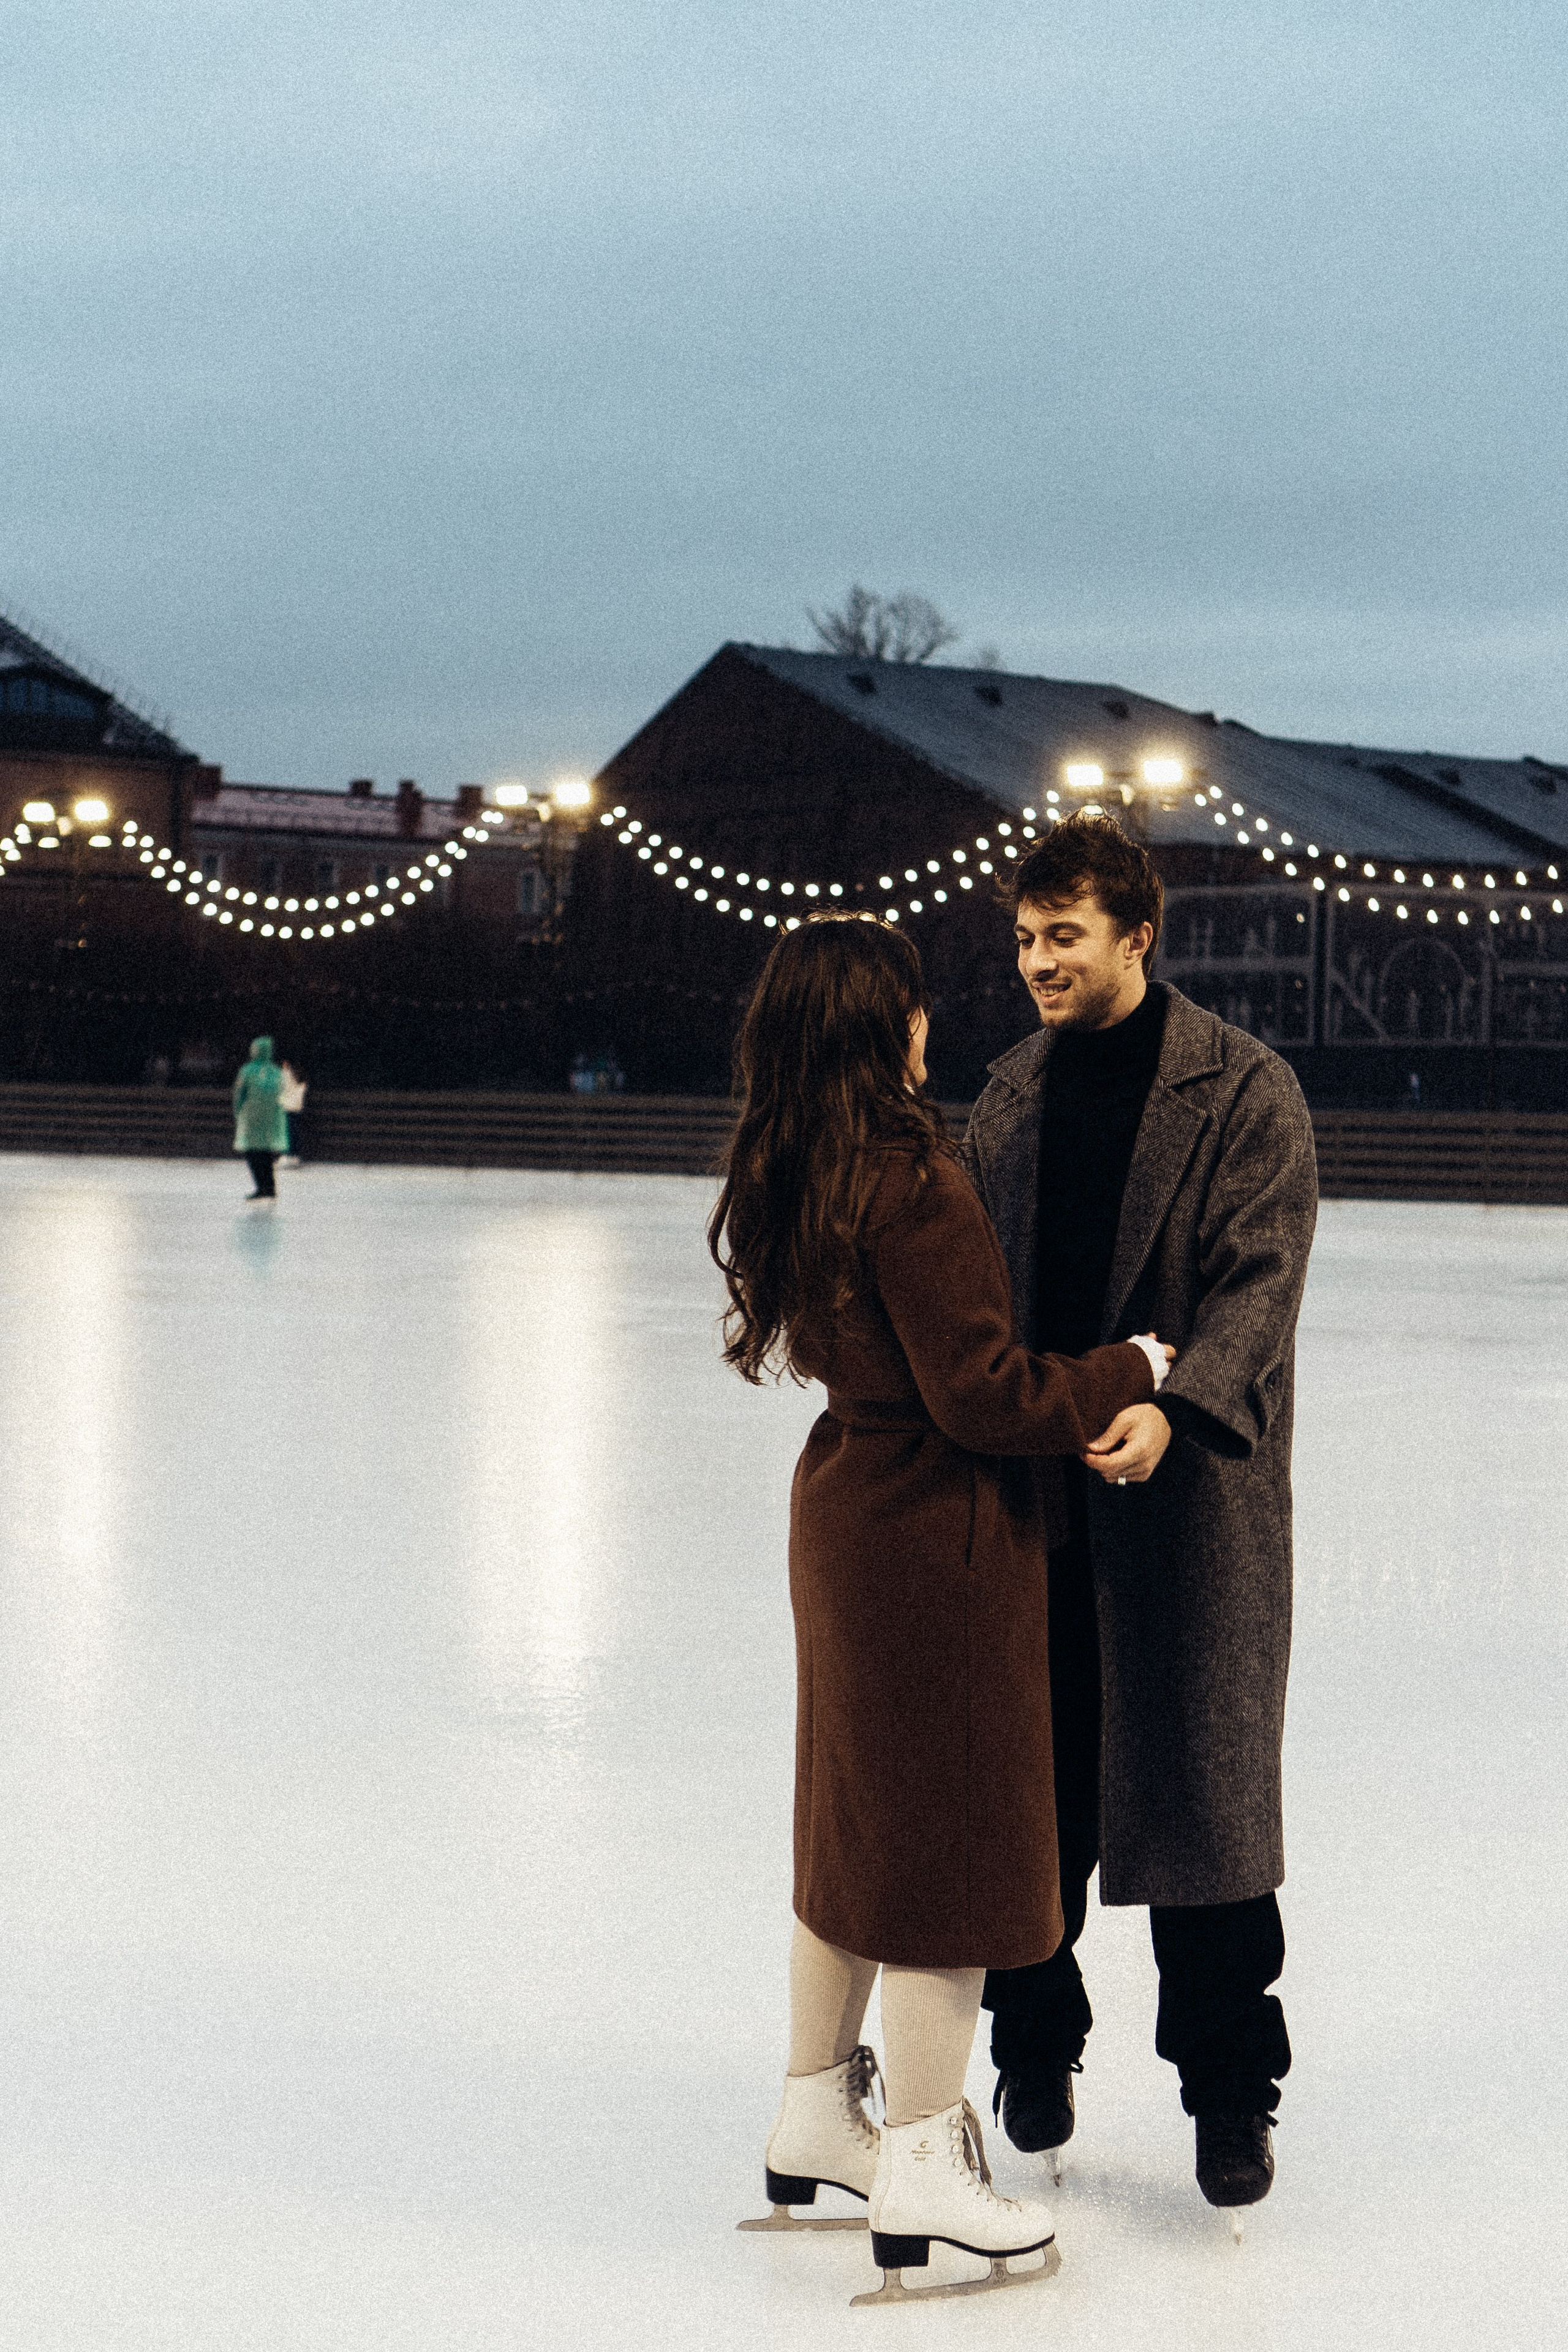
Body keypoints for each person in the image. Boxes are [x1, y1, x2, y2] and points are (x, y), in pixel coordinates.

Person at [710, 913, 1170, 2305]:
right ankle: (917, 2154)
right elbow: (979, 1392)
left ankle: (812, 2106)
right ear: (877, 1024)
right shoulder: (908, 1173)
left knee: (852, 1819)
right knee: (941, 1848)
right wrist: (1126, 1366)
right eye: (908, 1003)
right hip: (931, 1539)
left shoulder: (798, 1159)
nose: (929, 1020)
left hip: (849, 1508)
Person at [960, 812, 1318, 2214]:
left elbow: (1256, 1278)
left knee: (1204, 1819)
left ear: (1135, 936)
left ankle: (1230, 2096)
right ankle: (1030, 2045)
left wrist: (1175, 1408)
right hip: (1034, 1497)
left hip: (1184, 1513)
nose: (1038, 961)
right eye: (1023, 938)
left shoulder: (1241, 1090)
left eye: (1063, 936)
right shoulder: (1004, 1095)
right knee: (1023, 1806)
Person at [232, 1036, 289, 1200]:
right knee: (266, 1154)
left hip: (251, 1119)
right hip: (271, 1120)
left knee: (253, 1154)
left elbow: (239, 1095)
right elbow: (283, 1094)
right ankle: (269, 1187)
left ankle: (261, 1187)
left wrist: (238, 1113)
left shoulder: (248, 1071)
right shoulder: (277, 1072)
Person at [278, 1059, 307, 1164]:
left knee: (287, 1132)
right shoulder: (300, 1073)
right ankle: (295, 1155)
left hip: (287, 1106)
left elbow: (282, 1087)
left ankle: (287, 1154)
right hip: (296, 1106)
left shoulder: (286, 1073)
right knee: (295, 1131)